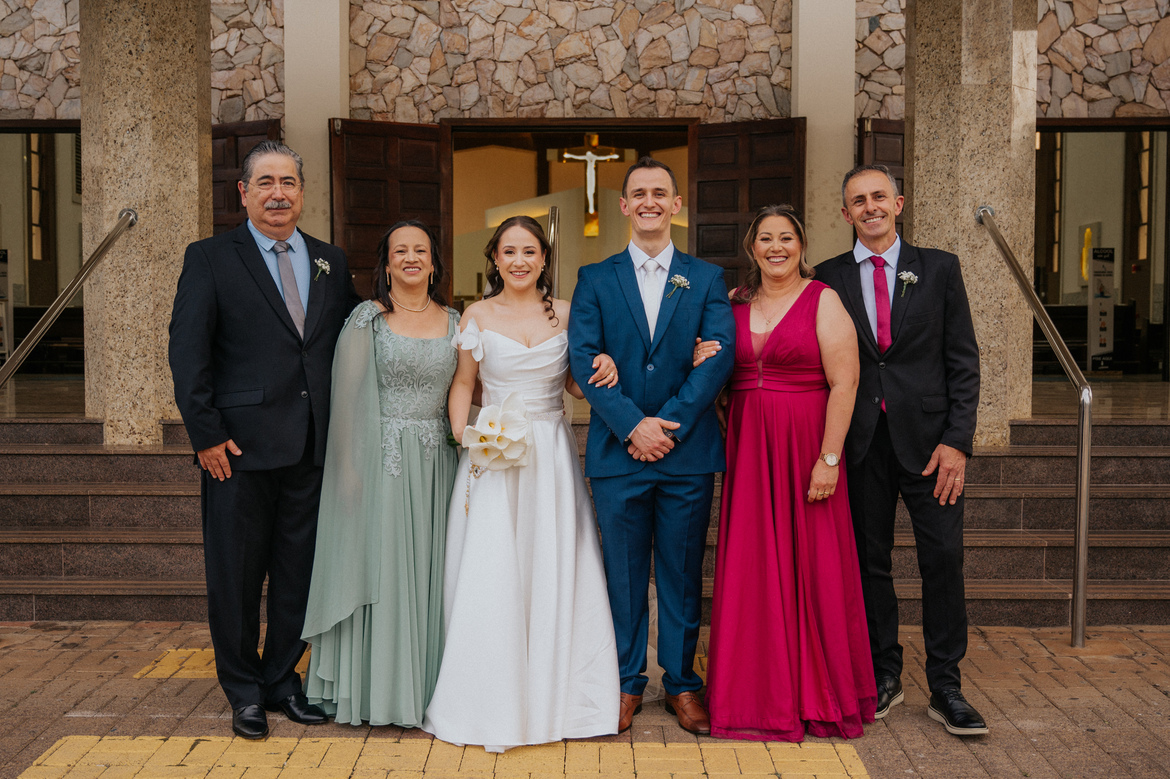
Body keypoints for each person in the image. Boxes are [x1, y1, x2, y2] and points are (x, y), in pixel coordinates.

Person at [168, 140, 361, 739]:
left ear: (302, 192)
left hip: (312, 447)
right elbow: (188, 352)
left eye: (288, 183)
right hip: (237, 451)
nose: (279, 194)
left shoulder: (330, 260)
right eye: (266, 183)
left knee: (298, 573)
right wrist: (206, 435)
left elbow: (356, 335)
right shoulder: (210, 258)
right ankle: (244, 691)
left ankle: (281, 679)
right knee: (236, 576)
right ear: (244, 193)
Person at [422, 215, 621, 751]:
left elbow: (575, 385)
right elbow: (464, 382)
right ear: (494, 258)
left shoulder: (567, 314)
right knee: (495, 565)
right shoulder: (477, 314)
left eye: (529, 251)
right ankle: (491, 696)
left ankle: (562, 695)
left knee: (551, 559)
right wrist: (464, 435)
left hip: (551, 453)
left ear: (543, 259)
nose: (519, 261)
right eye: (509, 251)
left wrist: (602, 362)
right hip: (494, 453)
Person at [817, 164, 986, 736]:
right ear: (845, 213)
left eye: (879, 197)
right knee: (870, 563)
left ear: (899, 203)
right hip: (862, 443)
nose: (870, 207)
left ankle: (946, 685)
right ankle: (884, 672)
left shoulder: (939, 268)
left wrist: (958, 442)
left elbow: (963, 361)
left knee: (943, 559)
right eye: (858, 200)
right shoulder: (827, 277)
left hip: (932, 447)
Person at [567, 158, 734, 735]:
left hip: (687, 454)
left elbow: (719, 358)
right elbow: (583, 359)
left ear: (676, 205)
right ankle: (625, 681)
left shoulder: (706, 278)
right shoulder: (594, 278)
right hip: (618, 453)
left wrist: (667, 427)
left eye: (660, 193)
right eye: (638, 193)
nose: (649, 202)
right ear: (623, 205)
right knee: (624, 573)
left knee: (683, 573)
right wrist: (632, 426)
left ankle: (683, 683)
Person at [704, 205, 875, 741]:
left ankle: (813, 694)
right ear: (752, 248)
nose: (775, 247)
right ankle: (753, 694)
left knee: (812, 567)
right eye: (765, 239)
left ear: (801, 246)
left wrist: (829, 459)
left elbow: (845, 383)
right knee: (753, 566)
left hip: (805, 448)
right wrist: (705, 358)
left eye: (786, 238)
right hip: (750, 451)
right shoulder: (733, 303)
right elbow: (717, 372)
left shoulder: (823, 299)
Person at [300, 221, 458, 727]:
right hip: (380, 460)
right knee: (386, 571)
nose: (411, 258)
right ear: (386, 264)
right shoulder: (366, 320)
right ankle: (380, 691)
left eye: (421, 250)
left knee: (433, 573)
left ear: (433, 263)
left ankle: (429, 687)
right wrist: (348, 471)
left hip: (438, 465)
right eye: (400, 251)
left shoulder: (457, 322)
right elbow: (345, 402)